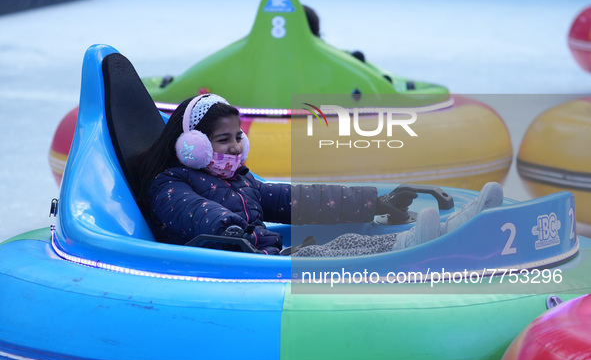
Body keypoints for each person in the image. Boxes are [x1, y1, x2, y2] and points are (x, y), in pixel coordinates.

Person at [137, 93, 503, 256]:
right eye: (222, 140)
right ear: (193, 145)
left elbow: (301, 199)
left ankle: (454, 226)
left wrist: (375, 202)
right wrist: (235, 229)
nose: (235, 147)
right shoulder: (170, 184)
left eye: (238, 137)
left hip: (263, 257)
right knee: (330, 253)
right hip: (237, 265)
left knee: (342, 243)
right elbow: (192, 213)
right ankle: (417, 243)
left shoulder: (243, 181)